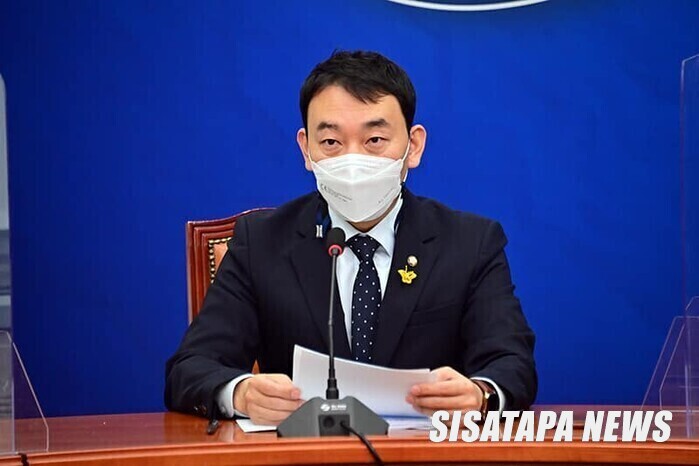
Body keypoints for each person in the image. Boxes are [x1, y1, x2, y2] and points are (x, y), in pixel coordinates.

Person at [165, 50, 536, 426]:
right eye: (331, 142)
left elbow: (512, 364)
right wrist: (241, 393)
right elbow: (190, 369)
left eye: (374, 139)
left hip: (425, 450)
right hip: (302, 451)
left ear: (414, 146)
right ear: (306, 149)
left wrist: (481, 395)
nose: (353, 159)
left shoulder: (471, 243)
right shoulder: (261, 242)